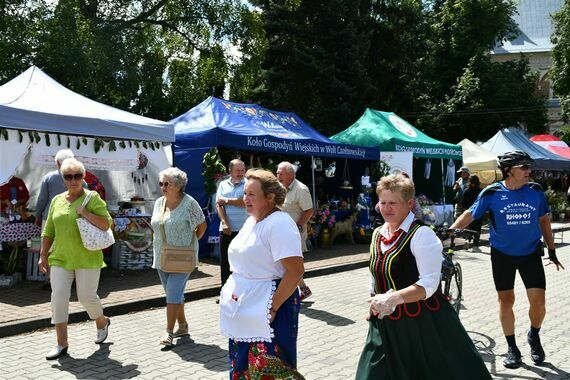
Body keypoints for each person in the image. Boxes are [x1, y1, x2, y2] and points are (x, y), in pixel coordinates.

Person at [356, 173, 490, 379]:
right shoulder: (377, 234)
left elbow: (429, 283)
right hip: (384, 321)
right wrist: (375, 300)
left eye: (393, 202)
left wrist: (393, 298)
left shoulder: (421, 234)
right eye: (382, 202)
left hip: (419, 323)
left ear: (409, 204)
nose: (386, 208)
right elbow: (377, 275)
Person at [450, 151, 565, 368]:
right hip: (502, 255)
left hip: (531, 253)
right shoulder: (492, 192)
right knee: (506, 300)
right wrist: (451, 230)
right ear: (509, 170)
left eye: (528, 167)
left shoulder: (536, 191)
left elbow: (544, 220)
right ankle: (512, 347)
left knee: (538, 303)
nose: (528, 172)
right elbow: (470, 214)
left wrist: (551, 249)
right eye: (524, 168)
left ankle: (534, 335)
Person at [220, 169, 305, 378]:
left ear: (269, 197)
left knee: (269, 366)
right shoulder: (252, 221)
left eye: (251, 194)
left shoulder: (280, 224)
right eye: (245, 193)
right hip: (246, 304)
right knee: (242, 365)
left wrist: (273, 307)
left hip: (270, 302)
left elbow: (295, 272)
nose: (245, 199)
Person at [38, 158, 112, 360]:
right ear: (63, 179)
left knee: (86, 297)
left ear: (83, 177)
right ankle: (62, 344)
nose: (73, 180)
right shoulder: (57, 200)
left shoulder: (92, 198)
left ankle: (102, 321)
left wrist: (85, 213)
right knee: (58, 298)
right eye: (68, 176)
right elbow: (49, 230)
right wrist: (43, 254)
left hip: (87, 258)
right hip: (60, 257)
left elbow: (106, 225)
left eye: (77, 176)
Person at [151, 167, 207, 346]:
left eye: (166, 183)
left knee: (172, 295)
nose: (163, 187)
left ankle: (168, 332)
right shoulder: (159, 202)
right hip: (161, 254)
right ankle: (182, 325)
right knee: (173, 293)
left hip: (182, 256)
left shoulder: (189, 203)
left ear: (178, 185)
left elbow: (202, 225)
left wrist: (190, 243)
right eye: (161, 183)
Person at [35, 149, 75, 291]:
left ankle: (52, 280)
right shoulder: (79, 179)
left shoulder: (49, 177)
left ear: (58, 163)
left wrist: (37, 214)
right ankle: (70, 279)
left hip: (50, 217)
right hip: (71, 218)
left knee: (50, 250)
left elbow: (42, 199)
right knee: (69, 247)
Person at [277, 161, 313, 300]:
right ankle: (302, 289)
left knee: (289, 264)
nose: (277, 176)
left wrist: (297, 226)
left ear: (291, 174)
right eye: (277, 173)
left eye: (281, 173)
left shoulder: (301, 189)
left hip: (293, 233)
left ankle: (294, 292)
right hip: (280, 232)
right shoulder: (279, 187)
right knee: (286, 263)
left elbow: (309, 210)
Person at [215, 159, 247, 289]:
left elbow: (245, 202)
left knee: (243, 262)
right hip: (227, 230)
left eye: (242, 170)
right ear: (230, 171)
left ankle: (242, 291)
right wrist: (224, 223)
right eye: (237, 171)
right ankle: (225, 292)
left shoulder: (248, 184)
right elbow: (218, 204)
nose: (240, 173)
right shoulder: (222, 185)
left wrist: (227, 200)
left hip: (244, 230)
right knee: (226, 263)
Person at [461, 175, 483, 246]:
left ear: (470, 182)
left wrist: (464, 213)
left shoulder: (466, 191)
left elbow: (464, 204)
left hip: (469, 212)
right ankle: (475, 244)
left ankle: (468, 239)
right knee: (477, 228)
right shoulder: (481, 191)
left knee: (469, 227)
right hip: (479, 212)